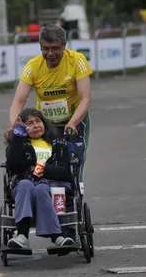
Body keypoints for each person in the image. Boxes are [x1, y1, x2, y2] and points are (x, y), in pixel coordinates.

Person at [7, 24, 92, 193]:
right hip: (47, 124)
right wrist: (13, 126)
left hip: (73, 121)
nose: (50, 54)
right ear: (40, 46)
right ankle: (42, 195)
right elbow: (18, 101)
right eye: (45, 49)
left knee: (74, 162)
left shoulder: (77, 61)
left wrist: (73, 123)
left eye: (55, 48)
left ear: (64, 45)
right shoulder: (33, 66)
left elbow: (86, 99)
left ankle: (71, 198)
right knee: (44, 161)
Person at [6, 108, 75, 249]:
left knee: (41, 188)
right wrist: (17, 139)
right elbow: (13, 166)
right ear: (23, 128)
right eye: (30, 123)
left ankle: (57, 237)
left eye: (38, 121)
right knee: (26, 184)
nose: (36, 125)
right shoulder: (20, 145)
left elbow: (65, 172)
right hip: (24, 186)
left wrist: (40, 170)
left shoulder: (58, 145)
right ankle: (22, 236)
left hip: (52, 186)